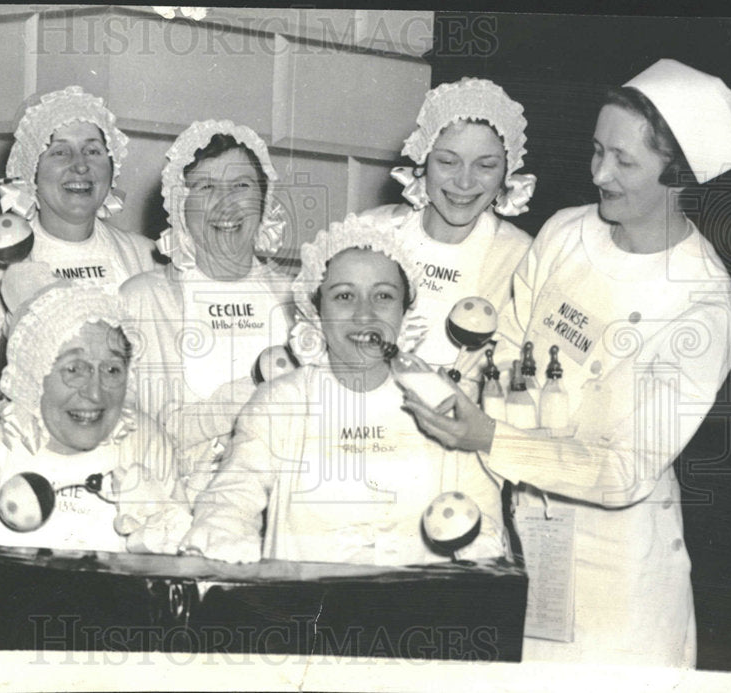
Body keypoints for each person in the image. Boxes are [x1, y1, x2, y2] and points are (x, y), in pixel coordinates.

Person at [403, 59, 731, 667]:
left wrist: (490, 437)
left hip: (617, 573)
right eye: (596, 150)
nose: (598, 173)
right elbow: (507, 351)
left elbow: (623, 470)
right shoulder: (566, 233)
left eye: (624, 161)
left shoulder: (702, 304)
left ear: (679, 174)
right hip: (526, 535)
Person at [181, 214, 506, 565]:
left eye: (383, 296)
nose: (364, 315)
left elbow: (484, 527)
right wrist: (224, 544)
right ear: (316, 309)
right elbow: (230, 499)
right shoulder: (281, 402)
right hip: (304, 598)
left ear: (405, 309)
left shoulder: (442, 401)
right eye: (344, 296)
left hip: (416, 598)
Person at [0, 281, 190, 553]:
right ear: (31, 374)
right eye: (74, 369)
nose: (95, 393)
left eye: (112, 369)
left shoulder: (146, 444)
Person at [120, 120, 294, 499]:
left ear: (265, 199)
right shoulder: (143, 300)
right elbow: (130, 432)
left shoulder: (296, 298)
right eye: (205, 187)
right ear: (180, 205)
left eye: (241, 186)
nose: (225, 203)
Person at [0, 86, 157, 399]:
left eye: (93, 151)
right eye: (59, 152)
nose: (80, 165)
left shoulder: (146, 256)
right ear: (31, 172)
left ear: (112, 168)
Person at [358, 77, 534, 391]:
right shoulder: (371, 232)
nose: (464, 183)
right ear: (423, 161)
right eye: (448, 162)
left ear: (507, 173)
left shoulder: (521, 257)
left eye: (485, 166)